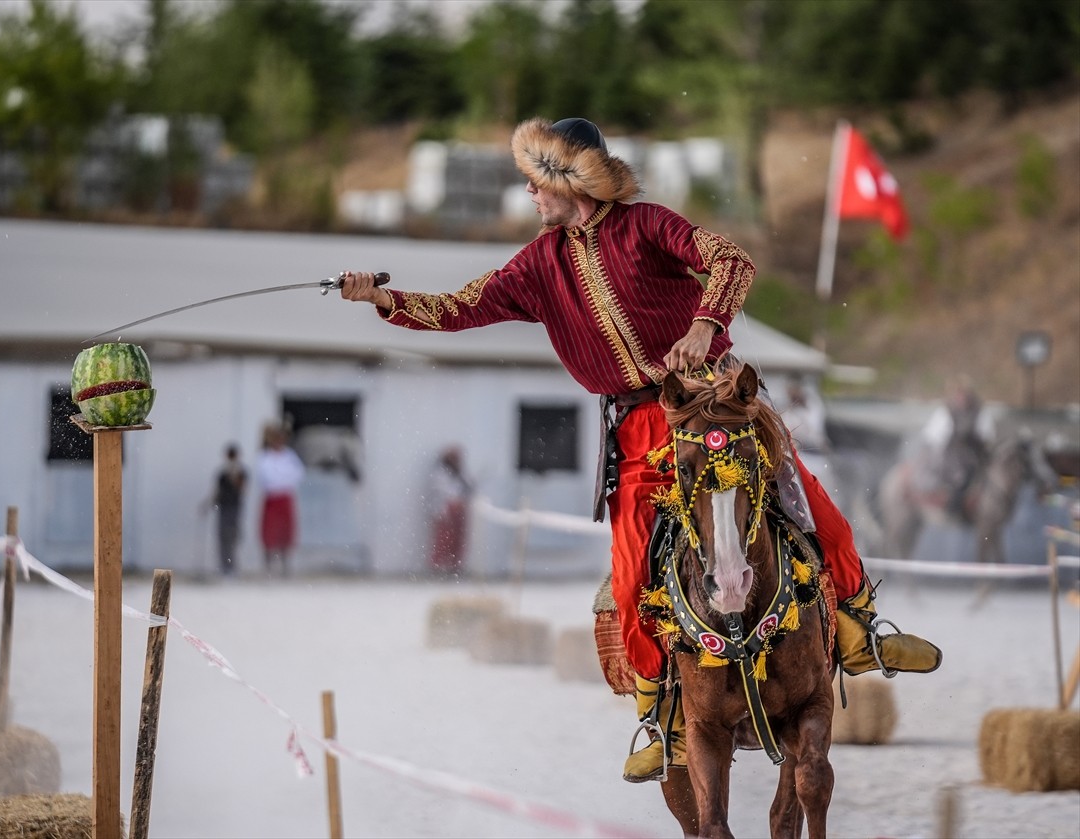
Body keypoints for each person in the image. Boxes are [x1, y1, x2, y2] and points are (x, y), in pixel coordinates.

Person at [339, 117, 940, 788]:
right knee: (629, 579)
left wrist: (705, 323)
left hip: (717, 400)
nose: (529, 194)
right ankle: (660, 715)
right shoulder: (537, 265)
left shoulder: (648, 225)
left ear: (571, 180)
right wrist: (381, 297)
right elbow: (459, 307)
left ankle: (859, 630)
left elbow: (732, 260)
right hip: (637, 430)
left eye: (536, 182)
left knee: (816, 512)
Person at [918, 375, 996, 520]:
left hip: (975, 456)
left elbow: (987, 436)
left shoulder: (979, 411)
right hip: (951, 458)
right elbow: (935, 439)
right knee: (959, 479)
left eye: (964, 393)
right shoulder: (946, 412)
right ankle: (954, 510)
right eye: (959, 394)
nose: (962, 398)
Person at [257, 424, 305, 577]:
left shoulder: (289, 456)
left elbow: (298, 474)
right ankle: (269, 566)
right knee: (269, 533)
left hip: (285, 497)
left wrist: (284, 481)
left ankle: (285, 566)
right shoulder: (265, 457)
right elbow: (265, 476)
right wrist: (280, 480)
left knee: (285, 533)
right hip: (272, 498)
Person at [427, 446, 473, 575]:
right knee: (443, 540)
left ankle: (454, 566)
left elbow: (466, 488)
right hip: (445, 513)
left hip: (458, 513)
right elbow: (445, 491)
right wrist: (454, 500)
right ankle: (438, 566)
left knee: (457, 541)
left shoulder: (460, 473)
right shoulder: (439, 473)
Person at [211, 444, 247, 576]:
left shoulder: (240, 472)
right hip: (224, 507)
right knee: (223, 537)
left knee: (233, 537)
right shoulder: (222, 473)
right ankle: (224, 566)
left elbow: (242, 488)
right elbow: (218, 491)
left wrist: (233, 475)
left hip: (234, 508)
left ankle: (232, 565)